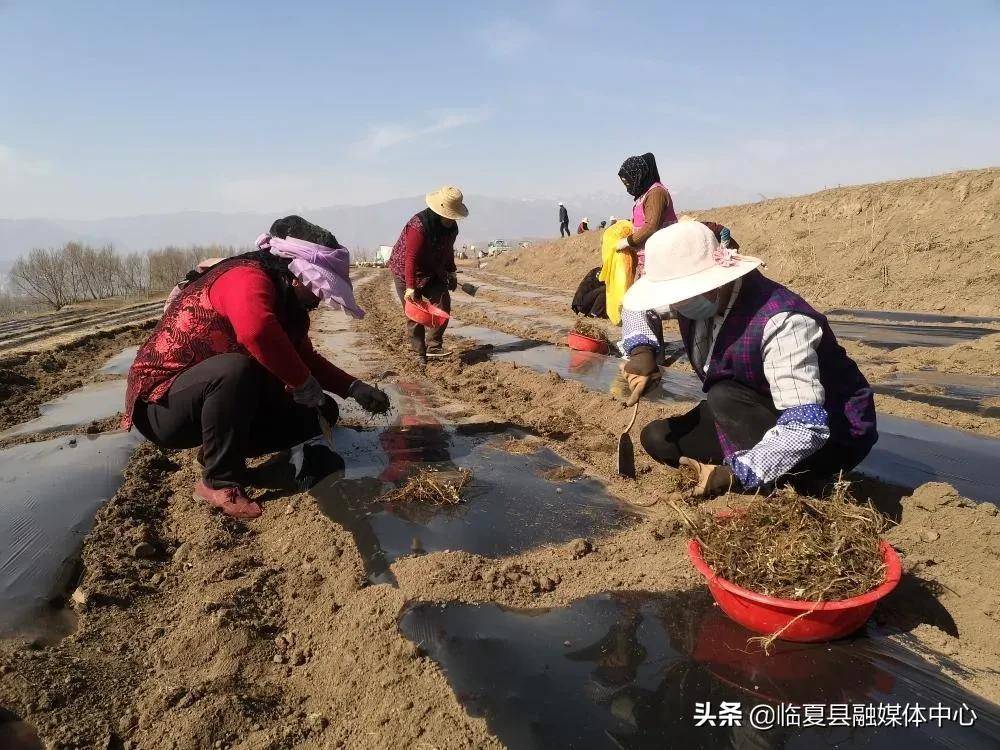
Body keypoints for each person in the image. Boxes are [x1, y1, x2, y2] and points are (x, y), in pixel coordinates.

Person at [124, 216, 390, 519]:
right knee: (235, 370)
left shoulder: (290, 305)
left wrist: (353, 388)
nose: (320, 299)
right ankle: (218, 480)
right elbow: (257, 332)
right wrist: (302, 383)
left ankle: (217, 452)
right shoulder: (246, 278)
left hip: (213, 402)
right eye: (316, 287)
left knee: (322, 412)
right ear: (294, 273)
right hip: (163, 406)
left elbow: (303, 357)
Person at [620, 222, 877, 497]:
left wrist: (734, 474)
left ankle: (785, 480)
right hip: (746, 406)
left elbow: (807, 425)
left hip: (828, 435)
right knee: (659, 439)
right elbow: (637, 308)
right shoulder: (693, 300)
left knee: (722, 395)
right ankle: (750, 465)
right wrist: (642, 352)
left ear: (719, 278)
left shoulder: (781, 321)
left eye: (685, 295)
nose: (679, 304)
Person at [389, 185, 468, 364]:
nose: (451, 219)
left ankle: (434, 346)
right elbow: (411, 258)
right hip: (405, 270)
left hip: (431, 270)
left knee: (443, 303)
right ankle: (419, 353)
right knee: (414, 311)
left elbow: (448, 250)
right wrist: (410, 287)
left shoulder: (452, 228)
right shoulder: (418, 226)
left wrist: (452, 272)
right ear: (440, 210)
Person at [614, 153, 678, 275]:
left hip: (661, 259)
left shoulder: (656, 194)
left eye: (628, 182)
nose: (627, 187)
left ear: (639, 177)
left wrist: (627, 242)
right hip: (649, 258)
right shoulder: (644, 194)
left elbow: (651, 226)